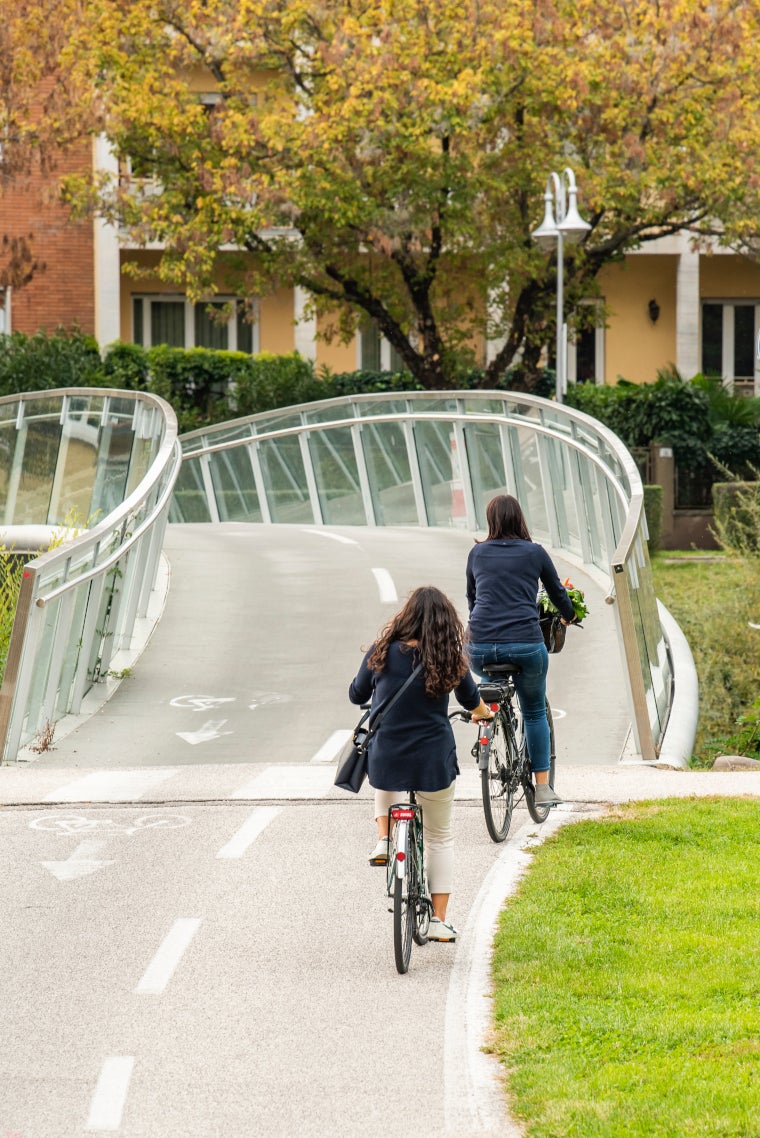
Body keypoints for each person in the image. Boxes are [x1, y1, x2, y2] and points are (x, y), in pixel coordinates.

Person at [348, 585, 493, 943]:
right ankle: (439, 920)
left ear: (405, 617)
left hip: (389, 757)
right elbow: (472, 699)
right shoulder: (448, 657)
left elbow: (356, 694)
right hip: (432, 760)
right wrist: (482, 715)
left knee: (385, 776)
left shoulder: (382, 652)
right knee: (439, 837)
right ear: (446, 623)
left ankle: (384, 840)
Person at [465, 493, 578, 807]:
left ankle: (495, 714)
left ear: (491, 521)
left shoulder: (477, 553)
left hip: (479, 649)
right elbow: (556, 592)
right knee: (533, 711)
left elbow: (472, 600)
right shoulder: (535, 552)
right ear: (520, 519)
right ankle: (542, 788)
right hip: (526, 646)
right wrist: (569, 616)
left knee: (491, 681)